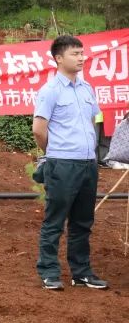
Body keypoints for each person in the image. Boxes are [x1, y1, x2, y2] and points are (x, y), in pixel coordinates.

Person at [33, 35, 107, 290]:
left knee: (83, 221)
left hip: (88, 163)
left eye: (82, 53)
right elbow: (39, 129)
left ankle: (81, 272)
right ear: (58, 58)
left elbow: (92, 120)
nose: (81, 58)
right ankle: (49, 272)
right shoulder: (50, 91)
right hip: (62, 164)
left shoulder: (86, 88)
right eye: (75, 54)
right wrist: (54, 152)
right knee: (55, 220)